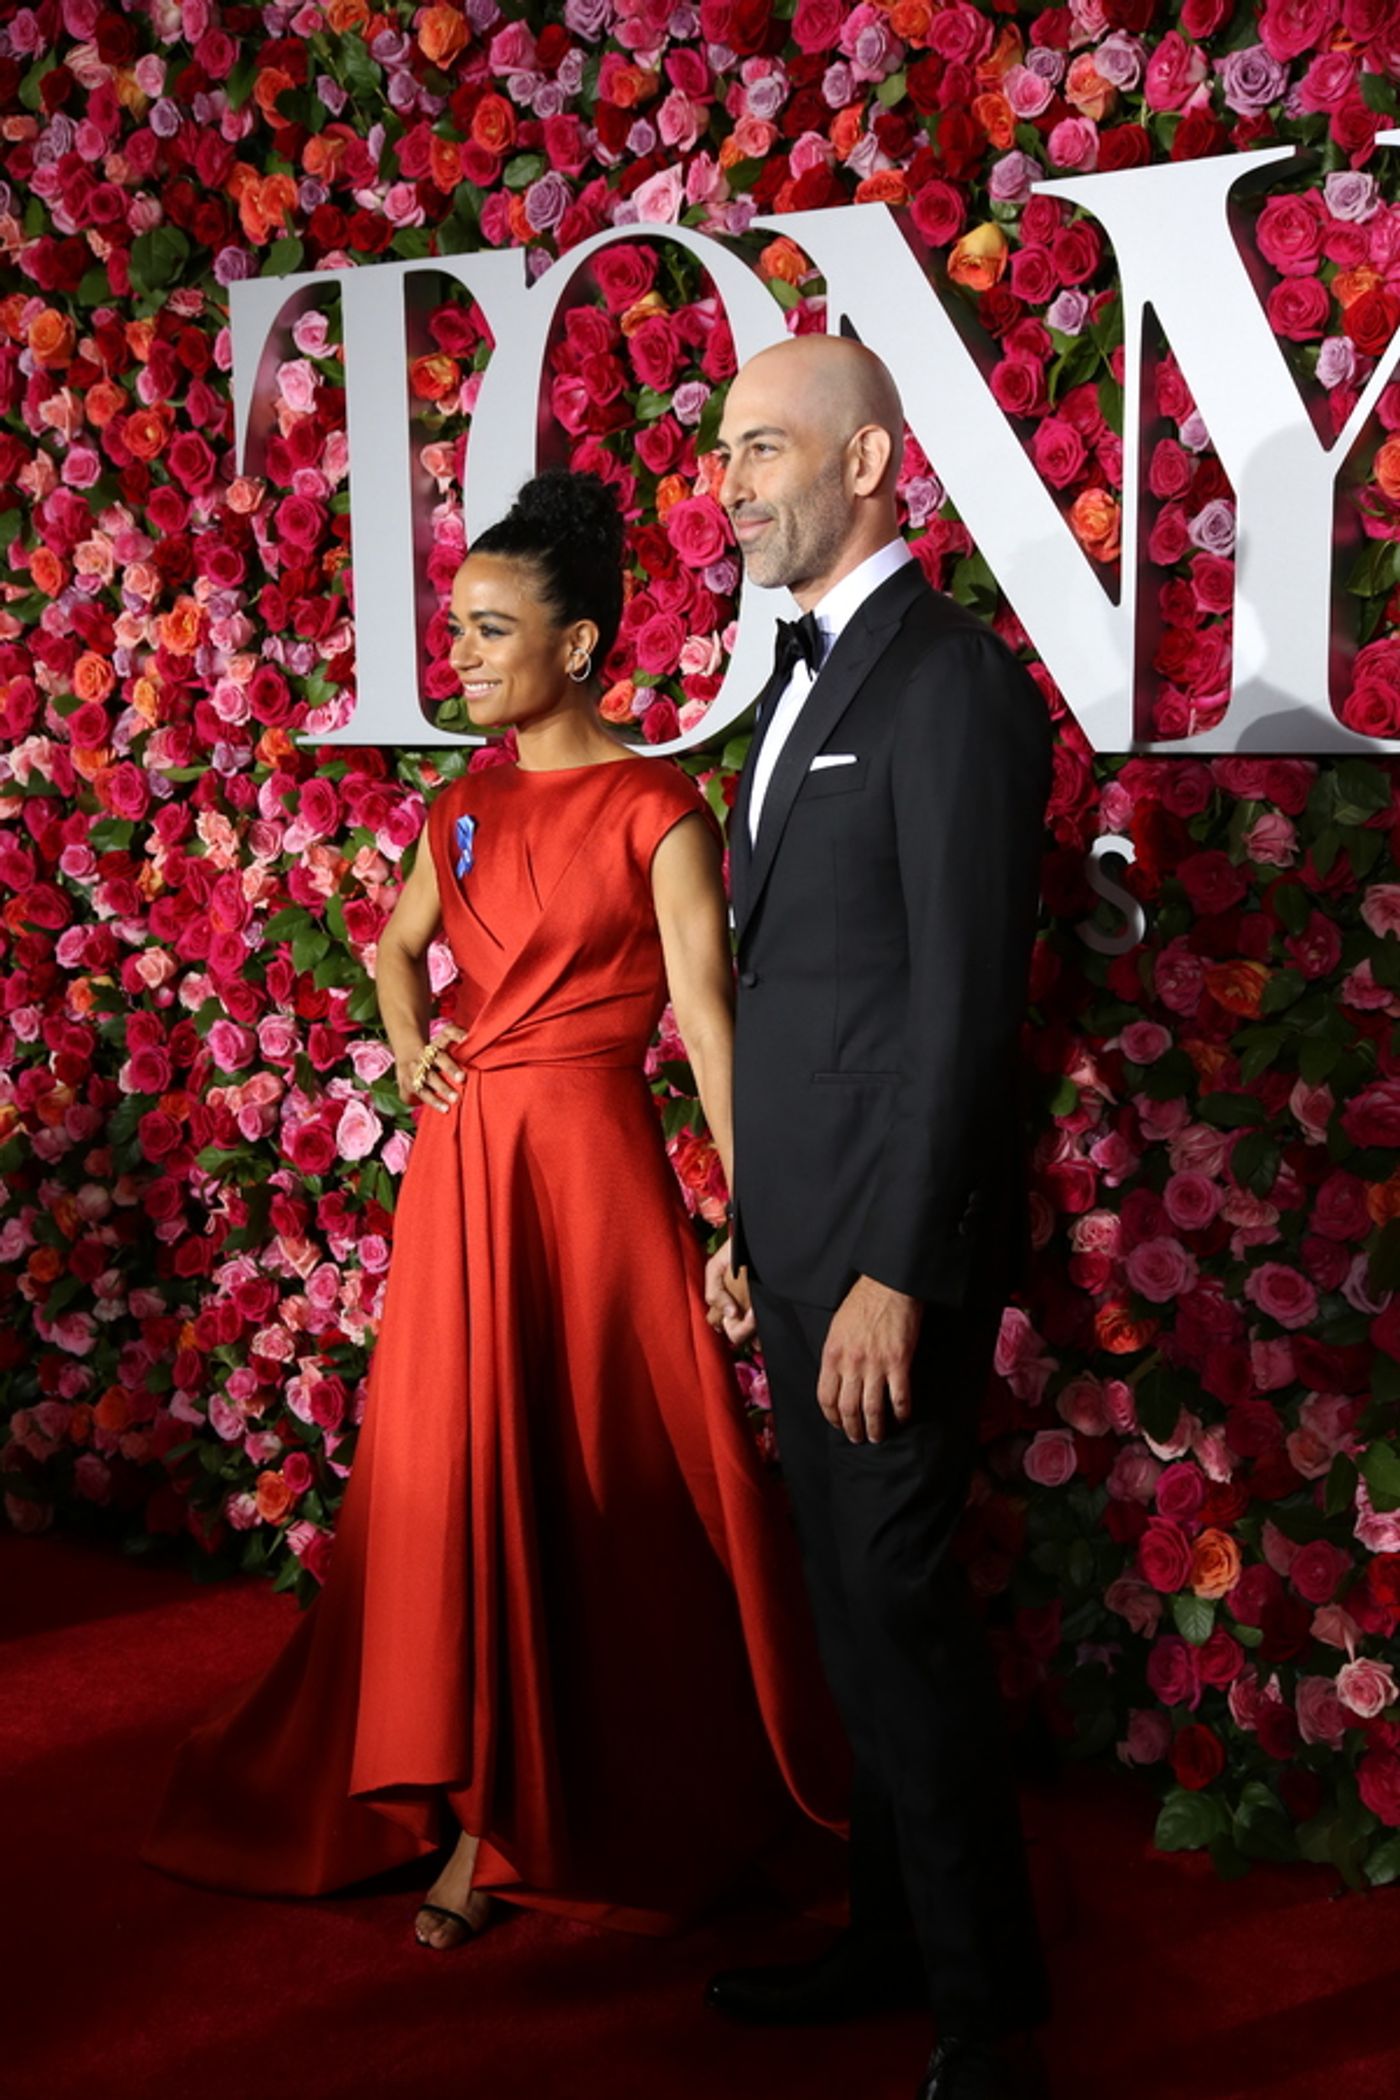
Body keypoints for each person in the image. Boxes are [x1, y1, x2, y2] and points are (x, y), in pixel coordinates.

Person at [145, 469, 846, 1949]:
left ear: (578, 647)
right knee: (462, 1480)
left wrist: (747, 1217)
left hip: (588, 1179)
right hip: (463, 1181)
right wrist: (410, 1054)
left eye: (487, 630)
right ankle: (467, 1804)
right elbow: (397, 953)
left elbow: (709, 1028)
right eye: (456, 630)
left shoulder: (661, 807)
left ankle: (545, 1815)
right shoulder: (456, 804)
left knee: (590, 1477)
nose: (456, 655)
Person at [702, 337, 1054, 2100]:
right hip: (805, 1243)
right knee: (854, 1611)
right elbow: (809, 990)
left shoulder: (951, 686)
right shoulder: (802, 681)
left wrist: (893, 1275)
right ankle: (888, 1945)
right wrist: (761, 1230)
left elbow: (960, 1018)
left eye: (762, 446)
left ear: (868, 465)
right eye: (720, 448)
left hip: (886, 1268)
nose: (730, 481)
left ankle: (991, 2033)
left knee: (903, 1619)